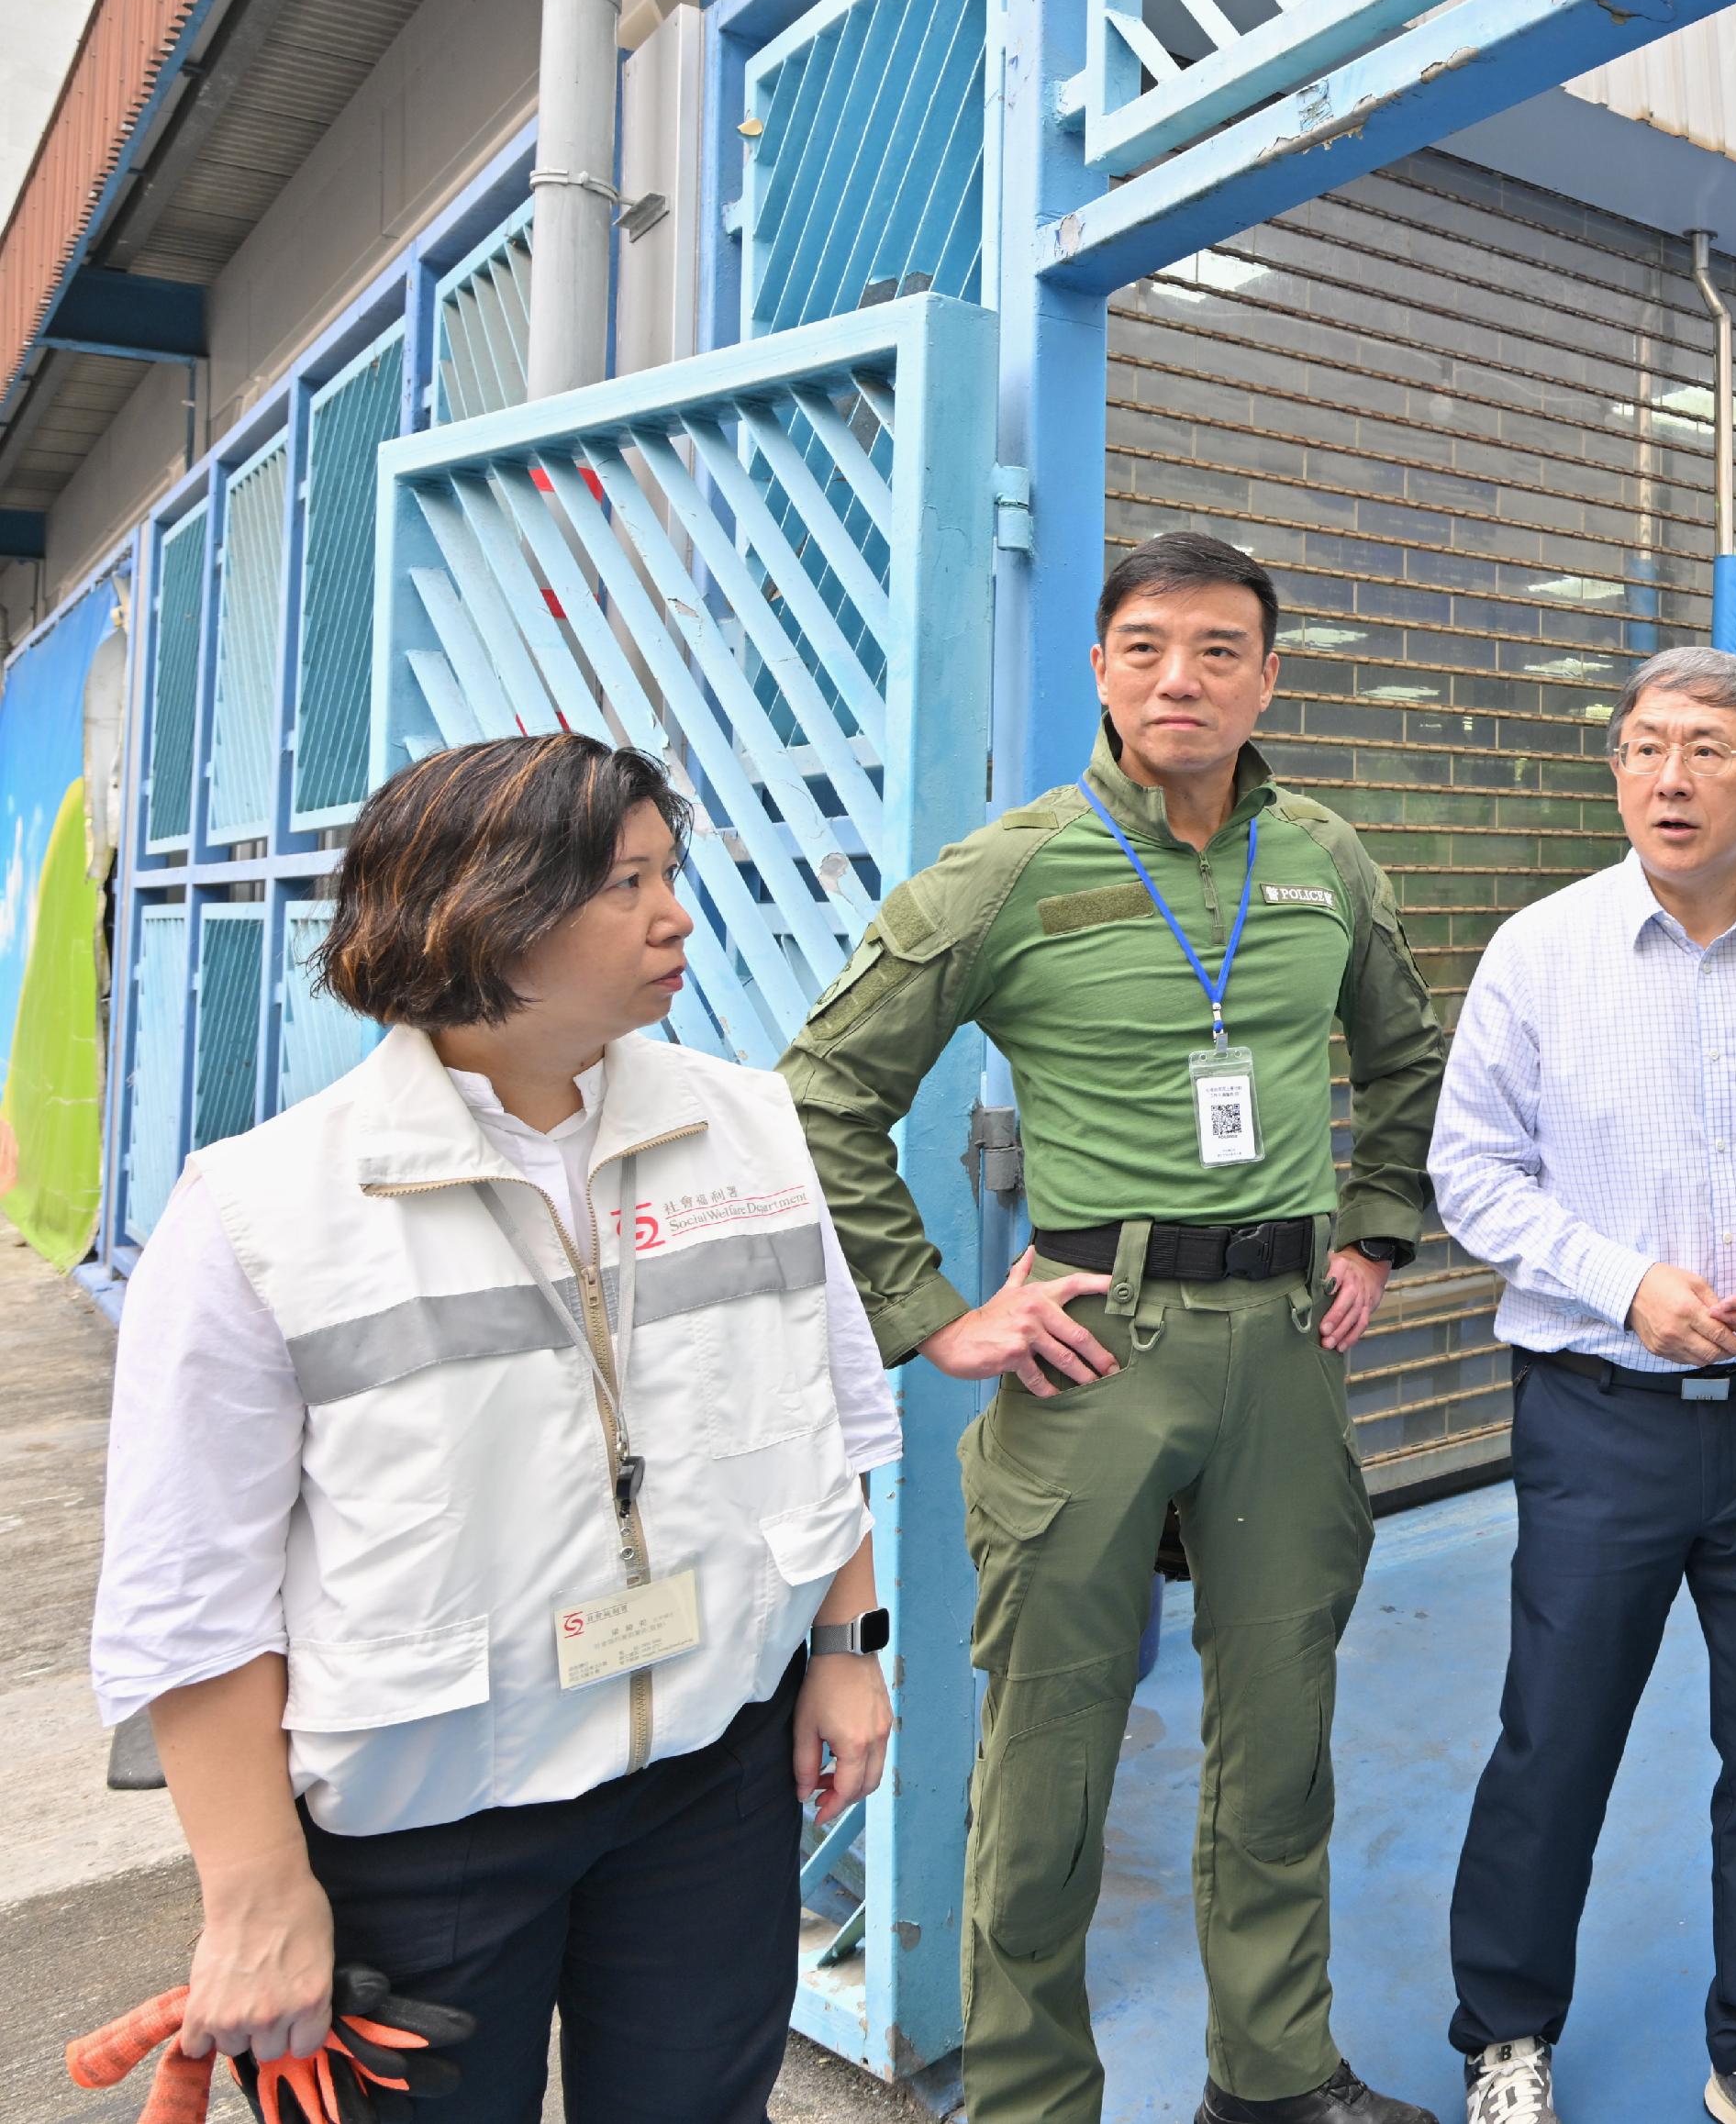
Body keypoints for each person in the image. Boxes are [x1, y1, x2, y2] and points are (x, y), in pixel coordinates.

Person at [92, 732, 900, 2123]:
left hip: (710, 1778)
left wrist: (843, 1650)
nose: (676, 913)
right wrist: (257, 1887)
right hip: (430, 1822)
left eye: (669, 869)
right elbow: (192, 1592)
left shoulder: (758, 1133)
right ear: (480, 908)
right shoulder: (260, 1211)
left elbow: (818, 1419)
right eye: (625, 880)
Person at [779, 531, 1449, 2124]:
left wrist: (1375, 1230)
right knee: (1050, 1763)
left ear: (1269, 677)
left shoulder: (1325, 862)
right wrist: (936, 1313)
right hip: (1097, 1350)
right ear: (1099, 666)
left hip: (1288, 1351)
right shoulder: (1016, 868)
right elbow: (826, 1086)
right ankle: (1026, 2101)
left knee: (1280, 1736)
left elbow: (1411, 1057)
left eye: (1222, 648)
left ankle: (1274, 2075)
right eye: (1147, 644)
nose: (1182, 676)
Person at [1430, 648, 1736, 2124]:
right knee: (1558, 1728)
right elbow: (1470, 1168)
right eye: (1646, 745)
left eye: (1707, 748)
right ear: (1617, 770)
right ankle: (1504, 2031)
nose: (1670, 774)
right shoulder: (1541, 950)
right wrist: (1623, 1279)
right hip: (1601, 1413)